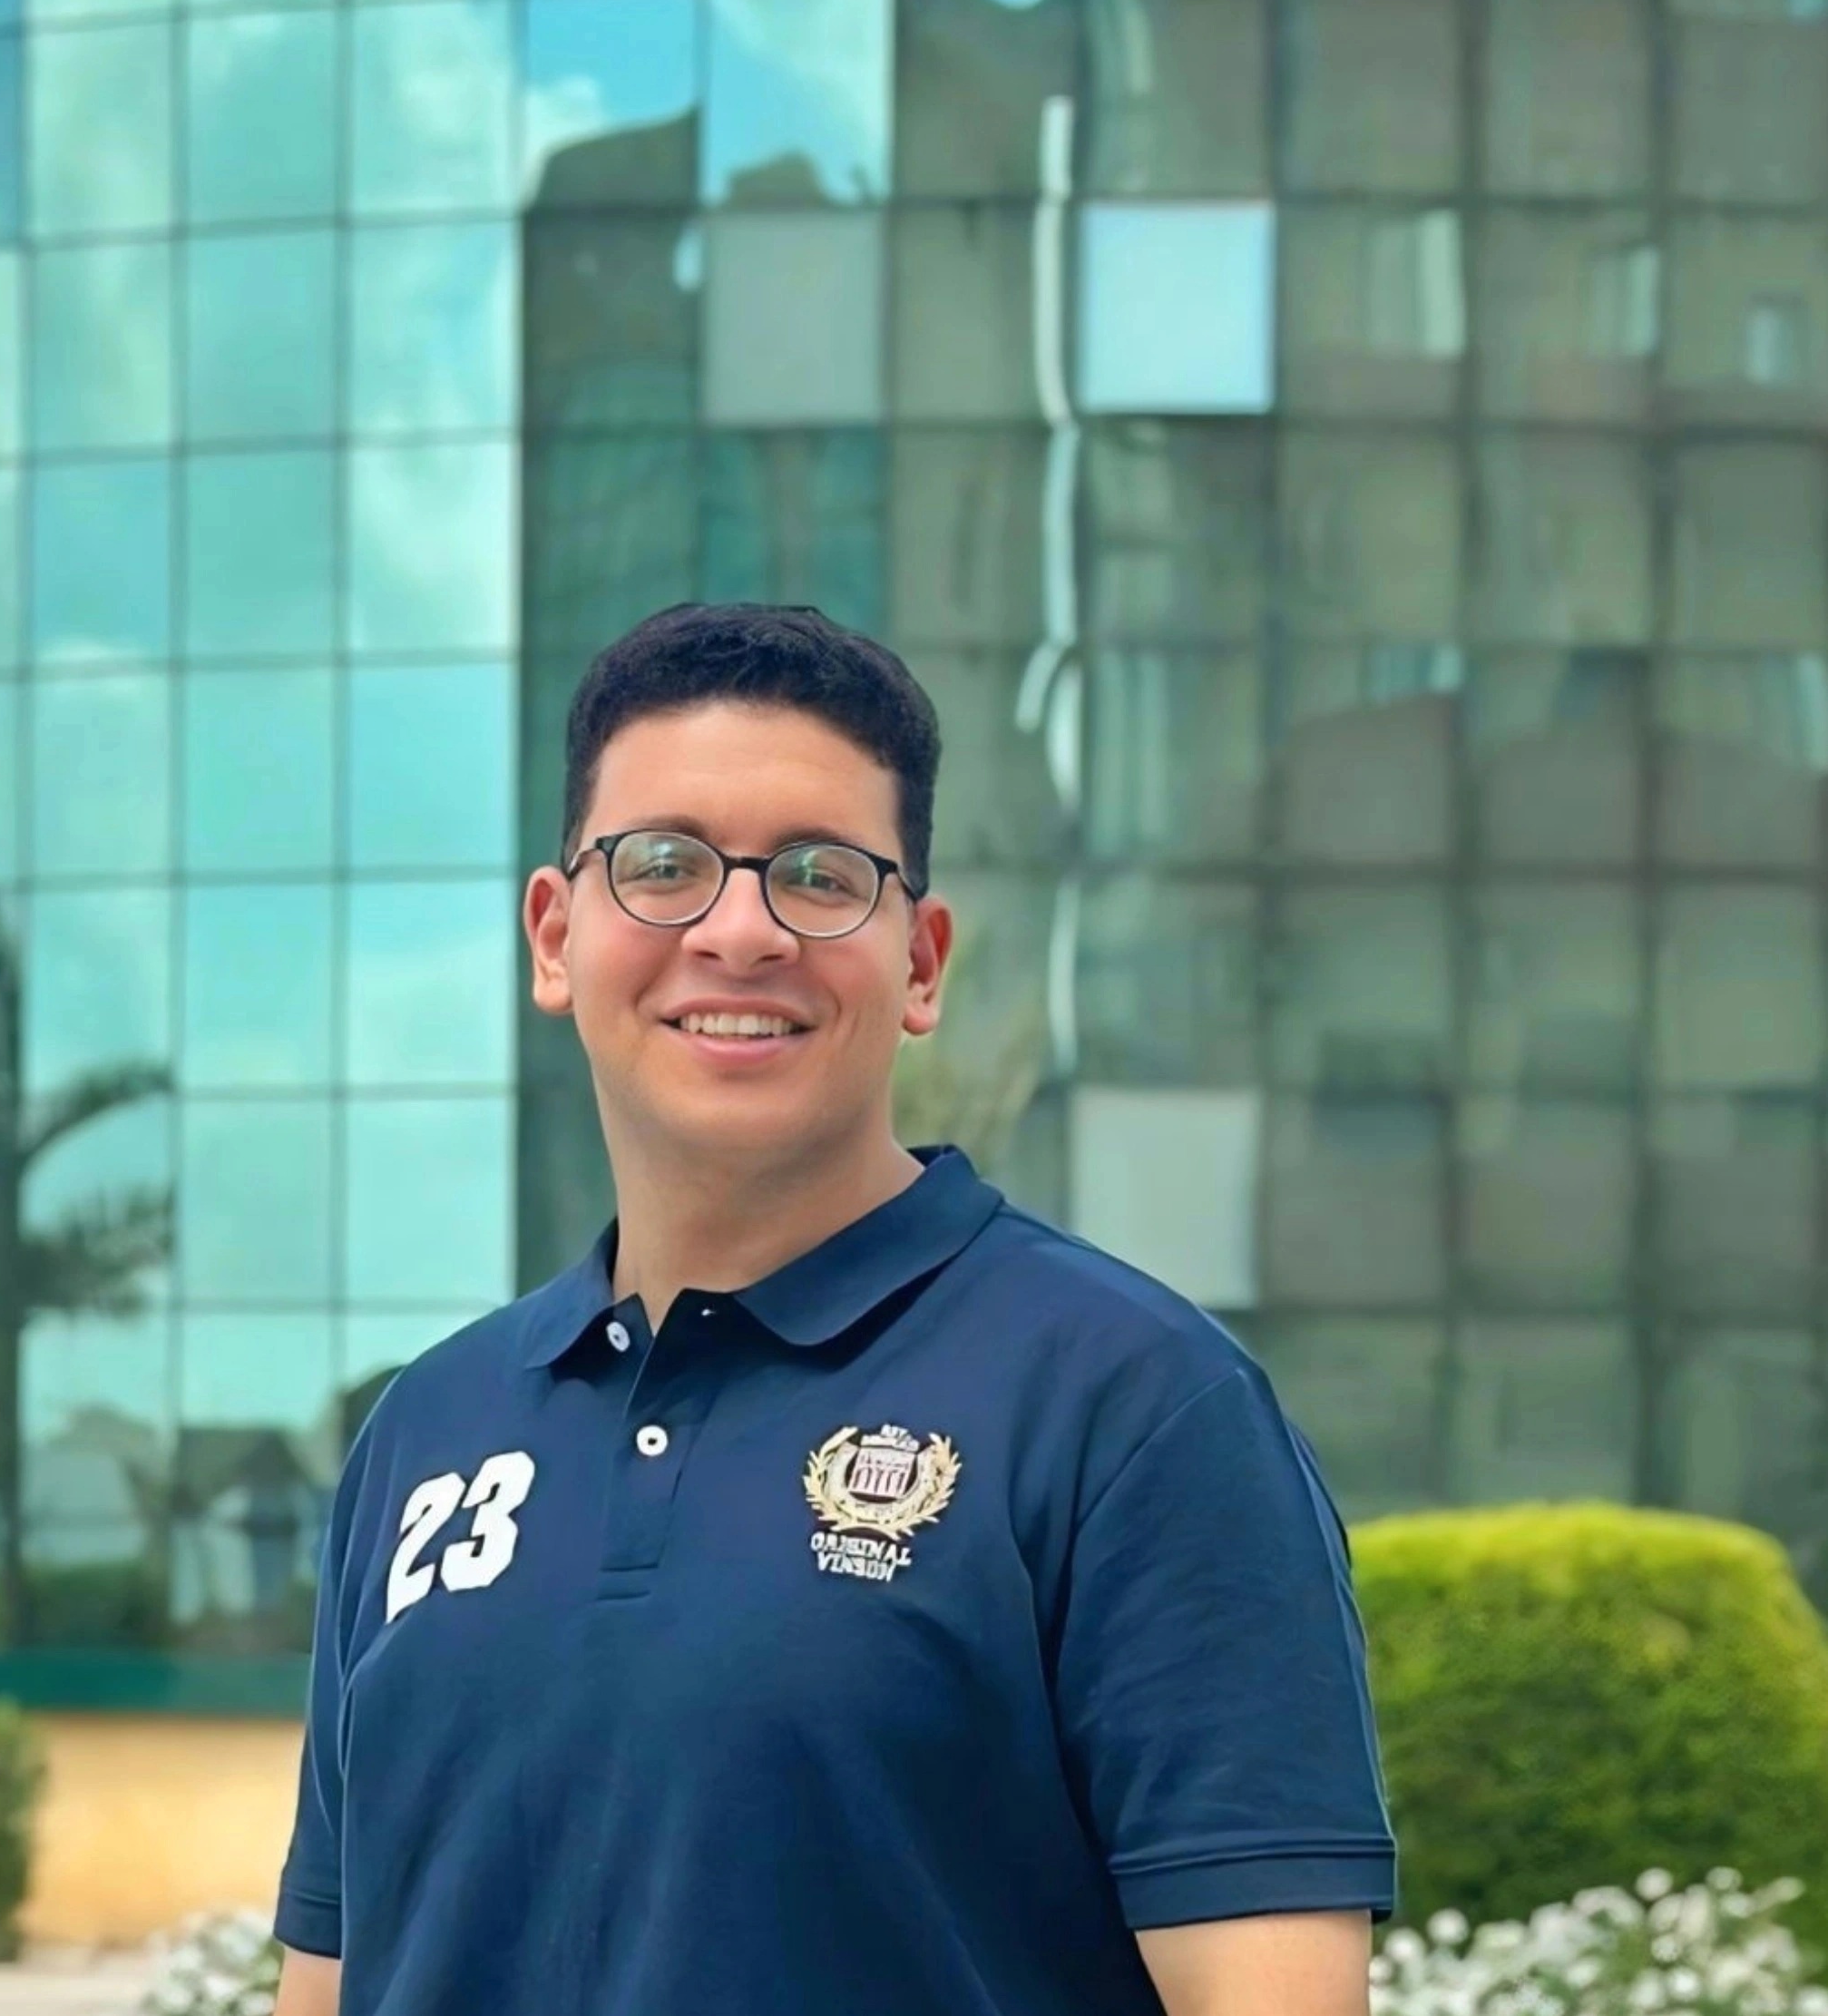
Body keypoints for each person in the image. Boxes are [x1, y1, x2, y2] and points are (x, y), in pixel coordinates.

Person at [272, 602, 1395, 2016]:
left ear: (919, 961)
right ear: (554, 937)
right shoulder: (425, 1432)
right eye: (663, 864)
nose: (739, 931)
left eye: (817, 874)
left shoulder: (1134, 1408)